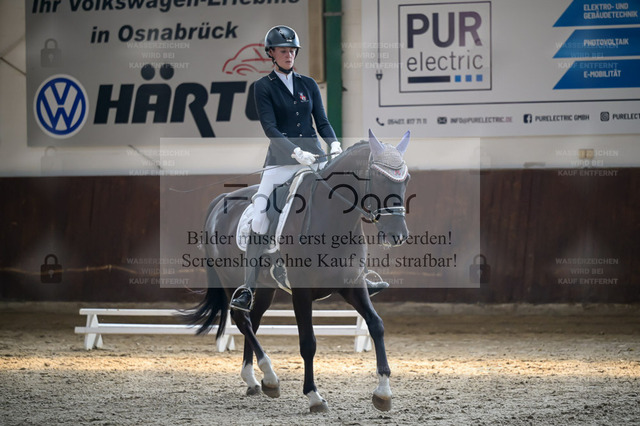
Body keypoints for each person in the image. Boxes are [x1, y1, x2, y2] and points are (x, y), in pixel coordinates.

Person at [230, 25, 386, 312]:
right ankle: (248, 288)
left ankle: (360, 272)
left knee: (346, 203)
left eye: (292, 50)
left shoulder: (308, 84)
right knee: (260, 217)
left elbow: (322, 121)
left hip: (315, 159)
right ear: (271, 53)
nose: (288, 55)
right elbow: (270, 128)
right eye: (283, 51)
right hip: (280, 163)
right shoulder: (263, 87)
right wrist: (294, 151)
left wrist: (334, 144)